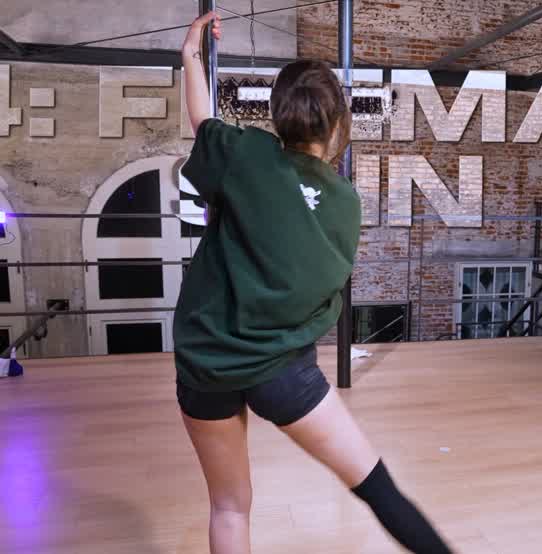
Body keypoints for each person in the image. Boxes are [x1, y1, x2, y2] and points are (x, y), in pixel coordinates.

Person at [174, 12, 454, 554]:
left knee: (230, 507)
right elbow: (325, 287)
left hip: (207, 362)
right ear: (337, 124)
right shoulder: (344, 201)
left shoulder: (243, 153)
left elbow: (202, 120)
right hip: (282, 371)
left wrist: (191, 56)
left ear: (279, 116)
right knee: (378, 489)